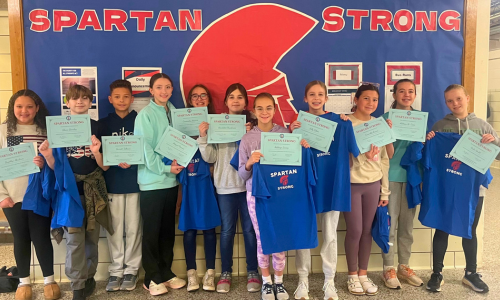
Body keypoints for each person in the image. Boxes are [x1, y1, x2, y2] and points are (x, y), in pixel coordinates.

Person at [39, 84, 112, 300]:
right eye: (75, 98)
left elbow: (105, 166)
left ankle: (89, 277)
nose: (80, 102)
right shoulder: (58, 127)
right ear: (67, 102)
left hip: (93, 192)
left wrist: (97, 152)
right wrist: (48, 155)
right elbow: (56, 167)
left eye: (85, 98)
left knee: (91, 238)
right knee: (74, 240)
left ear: (91, 102)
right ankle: (78, 286)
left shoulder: (97, 127)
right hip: (70, 194)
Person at [425, 84, 500, 293]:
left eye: (458, 99)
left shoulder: (482, 125)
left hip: (474, 191)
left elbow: (499, 152)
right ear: (446, 103)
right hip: (446, 188)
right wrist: (429, 141)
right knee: (442, 227)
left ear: (467, 98)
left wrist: (494, 142)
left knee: (469, 230)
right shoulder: (440, 126)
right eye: (450, 101)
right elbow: (428, 156)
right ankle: (437, 273)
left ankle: (471, 273)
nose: (455, 104)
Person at [289, 80, 358, 300]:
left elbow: (355, 153)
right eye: (312, 94)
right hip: (305, 185)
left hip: (332, 184)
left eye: (320, 94)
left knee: (330, 235)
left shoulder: (342, 122)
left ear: (326, 98)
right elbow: (288, 157)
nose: (316, 98)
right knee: (304, 234)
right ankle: (303, 281)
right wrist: (293, 134)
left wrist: (345, 123)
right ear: (305, 99)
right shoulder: (298, 123)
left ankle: (329, 282)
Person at [239, 92, 310, 300]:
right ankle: (266, 282)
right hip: (256, 195)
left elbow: (295, 166)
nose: (264, 112)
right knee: (263, 239)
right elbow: (242, 175)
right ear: (254, 110)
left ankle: (279, 282)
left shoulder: (285, 134)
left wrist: (302, 147)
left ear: (274, 109)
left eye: (268, 107)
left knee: (279, 237)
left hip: (281, 194)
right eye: (259, 108)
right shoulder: (247, 138)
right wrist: (250, 162)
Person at [197, 83, 260, 294]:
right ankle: (225, 273)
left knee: (251, 231)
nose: (235, 100)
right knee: (226, 231)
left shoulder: (255, 125)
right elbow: (211, 157)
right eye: (231, 97)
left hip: (249, 185)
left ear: (245, 102)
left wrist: (250, 134)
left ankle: (253, 271)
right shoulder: (216, 124)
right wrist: (204, 138)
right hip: (225, 185)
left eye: (240, 97)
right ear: (225, 101)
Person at [0, 90, 60, 300]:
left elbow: (56, 162)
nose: (24, 111)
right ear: (12, 108)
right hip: (13, 196)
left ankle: (49, 281)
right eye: (19, 106)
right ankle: (23, 282)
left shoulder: (46, 130)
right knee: (20, 238)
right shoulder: (4, 131)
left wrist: (44, 162)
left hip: (40, 195)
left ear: (37, 108)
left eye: (29, 107)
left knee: (41, 237)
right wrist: (1, 195)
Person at [133, 73, 186, 296]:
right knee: (152, 232)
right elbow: (145, 152)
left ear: (172, 90)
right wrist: (165, 168)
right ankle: (151, 277)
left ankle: (165, 272)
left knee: (167, 232)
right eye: (159, 87)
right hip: (152, 183)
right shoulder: (145, 116)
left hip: (171, 182)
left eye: (168, 87)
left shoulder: (175, 114)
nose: (164, 91)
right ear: (151, 91)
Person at [345, 83, 391, 296]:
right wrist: (364, 156)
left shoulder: (379, 124)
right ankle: (352, 275)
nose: (371, 103)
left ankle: (363, 274)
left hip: (373, 184)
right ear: (356, 99)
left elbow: (385, 159)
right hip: (352, 184)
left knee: (366, 231)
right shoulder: (346, 124)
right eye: (366, 98)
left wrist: (385, 191)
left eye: (375, 100)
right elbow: (343, 161)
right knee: (354, 230)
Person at [380, 79, 424, 289]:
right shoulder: (384, 119)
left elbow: (421, 154)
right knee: (390, 225)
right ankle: (388, 267)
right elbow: (378, 152)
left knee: (407, 227)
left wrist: (427, 138)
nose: (406, 95)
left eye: (410, 91)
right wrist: (385, 131)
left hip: (412, 179)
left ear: (415, 95)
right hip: (390, 177)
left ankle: (403, 266)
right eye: (402, 91)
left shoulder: (419, 120)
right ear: (395, 94)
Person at [99, 80, 142, 292]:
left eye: (126, 96)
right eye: (117, 97)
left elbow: (147, 148)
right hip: (112, 183)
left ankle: (131, 270)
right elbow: (98, 154)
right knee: (115, 229)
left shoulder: (140, 120)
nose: (122, 100)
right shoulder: (103, 124)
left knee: (134, 228)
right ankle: (115, 271)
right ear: (110, 99)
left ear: (132, 98)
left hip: (135, 182)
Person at [177, 84, 220, 292]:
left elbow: (216, 156)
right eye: (195, 96)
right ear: (189, 100)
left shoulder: (216, 124)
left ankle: (210, 273)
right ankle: (191, 273)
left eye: (204, 95)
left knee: (210, 228)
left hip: (207, 184)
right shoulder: (180, 124)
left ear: (209, 99)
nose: (199, 99)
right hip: (187, 184)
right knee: (189, 230)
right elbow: (172, 150)